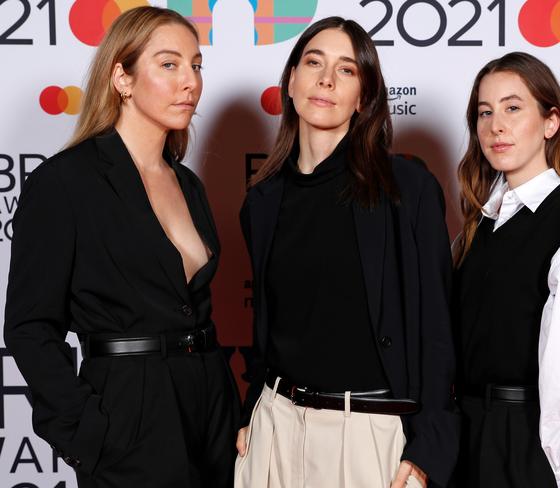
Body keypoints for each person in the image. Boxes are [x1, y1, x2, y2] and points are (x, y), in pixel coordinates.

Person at [4, 7, 239, 488]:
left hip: (210, 404)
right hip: (129, 410)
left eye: (196, 65)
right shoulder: (65, 183)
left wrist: (225, 406)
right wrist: (88, 432)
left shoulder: (188, 184)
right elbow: (30, 327)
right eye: (169, 65)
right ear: (122, 78)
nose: (189, 82)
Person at [234, 16, 458, 488]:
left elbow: (437, 329)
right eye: (313, 62)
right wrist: (251, 407)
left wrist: (428, 448)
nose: (326, 79)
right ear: (291, 80)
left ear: (364, 97)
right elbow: (270, 329)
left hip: (368, 432)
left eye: (347, 70)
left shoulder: (407, 190)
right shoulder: (262, 200)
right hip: (275, 427)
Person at [452, 51, 560, 488]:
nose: (497, 125)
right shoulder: (482, 221)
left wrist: (551, 465)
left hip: (522, 441)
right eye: (485, 112)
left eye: (513, 108)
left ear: (551, 123)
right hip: (466, 433)